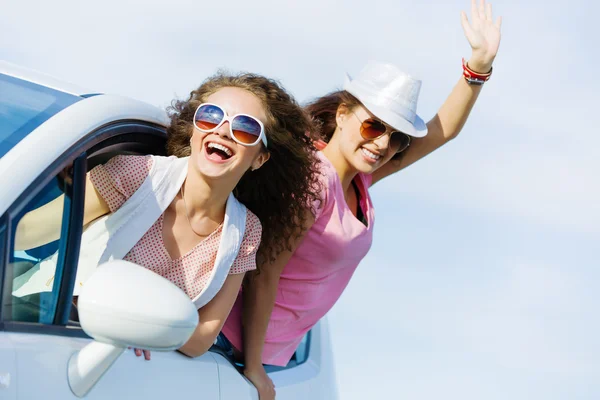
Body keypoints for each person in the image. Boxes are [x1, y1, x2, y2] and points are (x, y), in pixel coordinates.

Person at [220, 0, 503, 398]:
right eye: (373, 125)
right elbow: (265, 271)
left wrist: (479, 68)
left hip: (267, 356)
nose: (383, 144)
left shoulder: (358, 180)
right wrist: (252, 368)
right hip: (237, 351)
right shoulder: (315, 180)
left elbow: (442, 132)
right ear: (342, 114)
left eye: (397, 137)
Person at [13, 71, 322, 360]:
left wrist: (143, 329)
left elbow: (202, 338)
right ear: (193, 132)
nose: (222, 130)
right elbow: (25, 231)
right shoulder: (138, 174)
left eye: (245, 128)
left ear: (260, 158)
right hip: (35, 322)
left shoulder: (245, 231)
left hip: (114, 366)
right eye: (211, 116)